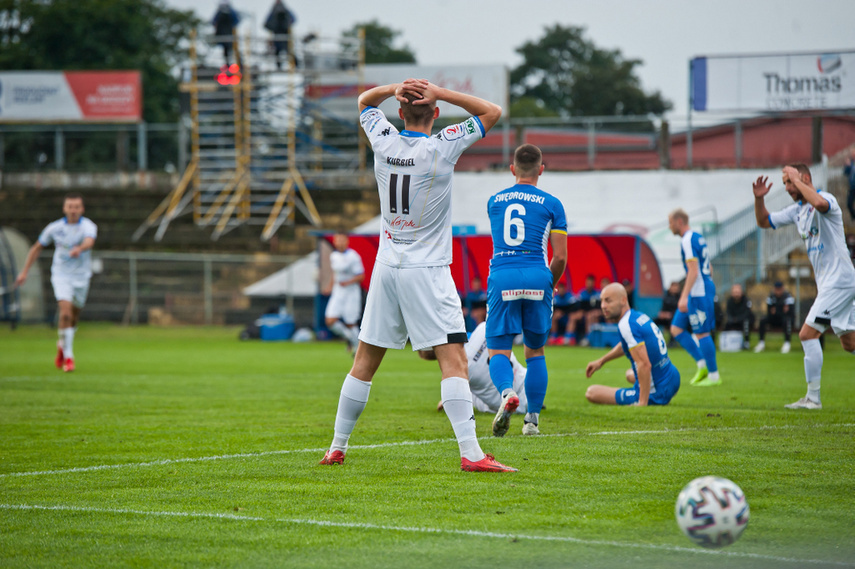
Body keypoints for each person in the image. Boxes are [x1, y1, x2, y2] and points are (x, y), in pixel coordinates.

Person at [319, 78, 514, 472]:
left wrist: (395, 87)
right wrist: (439, 91)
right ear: (436, 114)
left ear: (399, 112)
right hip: (427, 270)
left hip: (387, 267)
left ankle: (336, 447)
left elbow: (362, 101)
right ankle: (472, 455)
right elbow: (492, 112)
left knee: (364, 360)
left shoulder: (383, 138)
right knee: (454, 360)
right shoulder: (442, 146)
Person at [752, 164, 855, 409]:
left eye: (790, 182)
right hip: (834, 284)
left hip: (839, 282)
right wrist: (759, 200)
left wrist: (799, 182)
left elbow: (819, 204)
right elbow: (764, 221)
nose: (787, 188)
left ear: (804, 178)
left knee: (807, 335)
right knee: (849, 343)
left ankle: (813, 398)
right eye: (786, 183)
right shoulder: (797, 212)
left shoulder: (825, 199)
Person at [485, 143, 567, 437]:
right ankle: (531, 421)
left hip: (503, 274)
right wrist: (550, 285)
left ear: (512, 170)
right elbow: (559, 257)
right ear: (541, 170)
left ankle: (508, 393)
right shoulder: (552, 204)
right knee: (535, 351)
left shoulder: (494, 201)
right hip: (537, 276)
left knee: (498, 349)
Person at [15, 193, 97, 372]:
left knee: (74, 317)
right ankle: (69, 357)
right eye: (70, 206)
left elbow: (89, 242)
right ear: (64, 208)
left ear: (81, 209)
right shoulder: (54, 228)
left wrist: (79, 248)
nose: (73, 210)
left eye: (76, 207)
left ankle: (62, 344)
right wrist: (24, 272)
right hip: (61, 275)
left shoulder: (88, 226)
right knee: (65, 313)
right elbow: (36, 248)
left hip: (81, 277)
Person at [585, 283, 680, 406]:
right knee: (629, 374)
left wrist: (642, 403)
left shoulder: (626, 325)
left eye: (608, 301)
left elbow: (644, 364)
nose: (603, 306)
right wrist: (601, 361)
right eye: (602, 301)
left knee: (591, 392)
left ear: (623, 300)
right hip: (672, 377)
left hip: (657, 391)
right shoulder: (637, 316)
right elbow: (626, 345)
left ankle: (645, 397)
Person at [423, 321, 528, 416]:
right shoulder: (483, 329)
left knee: (466, 387)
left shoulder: (460, 367)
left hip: (514, 407)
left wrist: (446, 400)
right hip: (528, 384)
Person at [668, 209, 720, 387]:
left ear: (679, 221)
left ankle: (714, 376)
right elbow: (709, 267)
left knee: (702, 332)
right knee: (676, 328)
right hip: (701, 287)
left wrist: (684, 296)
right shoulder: (697, 237)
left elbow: (693, 270)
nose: (669, 227)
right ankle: (702, 364)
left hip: (698, 290)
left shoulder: (687, 239)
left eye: (671, 223)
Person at [322, 232, 364, 354]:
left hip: (351, 293)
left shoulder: (353, 256)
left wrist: (348, 282)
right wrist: (329, 287)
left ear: (346, 241)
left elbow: (361, 276)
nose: (339, 243)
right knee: (330, 320)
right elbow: (335, 275)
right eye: (337, 240)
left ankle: (358, 349)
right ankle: (350, 339)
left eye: (342, 240)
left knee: (350, 323)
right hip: (338, 292)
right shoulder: (333, 256)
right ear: (334, 242)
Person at [754, 281, 795, 354]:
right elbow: (770, 311)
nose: (778, 291)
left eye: (779, 289)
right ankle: (761, 343)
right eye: (776, 289)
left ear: (782, 289)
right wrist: (781, 309)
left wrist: (777, 310)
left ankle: (787, 343)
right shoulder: (771, 296)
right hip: (774, 319)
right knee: (762, 320)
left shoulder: (788, 297)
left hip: (784, 319)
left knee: (787, 321)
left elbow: (789, 312)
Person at [565, 275, 600, 346]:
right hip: (583, 314)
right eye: (588, 282)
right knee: (573, 317)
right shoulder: (582, 293)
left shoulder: (597, 294)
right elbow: (578, 307)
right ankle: (568, 339)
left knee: (589, 316)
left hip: (594, 315)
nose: (589, 284)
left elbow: (599, 308)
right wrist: (580, 312)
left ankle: (588, 339)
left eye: (591, 282)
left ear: (594, 283)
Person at [264, 0, 296, 70]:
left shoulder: (273, 12)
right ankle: (294, 65)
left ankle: (280, 66)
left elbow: (266, 24)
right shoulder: (285, 11)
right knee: (288, 51)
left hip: (279, 35)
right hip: (284, 35)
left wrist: (273, 27)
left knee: (280, 51)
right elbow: (293, 19)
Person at [724, 283, 755, 351]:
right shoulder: (729, 301)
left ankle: (746, 342)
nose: (736, 294)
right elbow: (728, 312)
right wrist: (732, 319)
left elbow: (747, 313)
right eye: (735, 292)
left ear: (741, 292)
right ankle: (726, 342)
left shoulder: (746, 300)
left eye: (738, 292)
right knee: (726, 324)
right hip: (734, 320)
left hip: (744, 320)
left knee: (746, 323)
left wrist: (738, 319)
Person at [655, 281, 681, 345]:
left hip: (676, 318)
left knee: (672, 322)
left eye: (676, 287)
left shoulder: (680, 298)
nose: (674, 289)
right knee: (654, 321)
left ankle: (672, 342)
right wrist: (662, 314)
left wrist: (670, 314)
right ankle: (653, 339)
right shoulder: (666, 297)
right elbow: (663, 308)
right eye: (673, 287)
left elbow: (680, 309)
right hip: (666, 318)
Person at [548, 281, 574, 346]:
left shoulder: (570, 297)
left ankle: (568, 338)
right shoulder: (555, 298)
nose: (561, 290)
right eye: (560, 288)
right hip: (558, 318)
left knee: (572, 317)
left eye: (562, 288)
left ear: (565, 289)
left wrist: (563, 313)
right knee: (554, 317)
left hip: (568, 317)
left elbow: (575, 308)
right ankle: (553, 337)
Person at [844, 148, 855, 220]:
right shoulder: (851, 163)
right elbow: (845, 173)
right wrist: (847, 166)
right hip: (852, 187)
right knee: (849, 204)